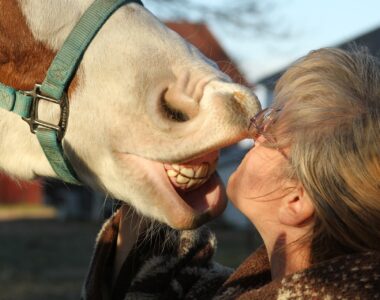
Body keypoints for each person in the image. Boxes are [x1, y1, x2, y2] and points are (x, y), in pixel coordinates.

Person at [82, 47, 380, 300]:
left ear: (296, 200)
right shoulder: (259, 284)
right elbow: (159, 284)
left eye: (273, 126)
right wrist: (160, 180)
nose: (255, 132)